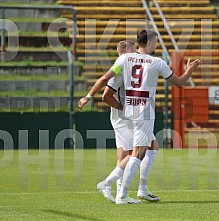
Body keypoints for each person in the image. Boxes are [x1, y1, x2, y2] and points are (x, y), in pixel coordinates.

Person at [102, 29, 201, 204]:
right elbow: (179, 82)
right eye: (155, 41)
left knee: (151, 146)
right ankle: (117, 191)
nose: (156, 44)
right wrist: (190, 70)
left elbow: (106, 83)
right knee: (137, 153)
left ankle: (142, 188)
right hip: (144, 111)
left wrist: (89, 95)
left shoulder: (125, 59)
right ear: (148, 43)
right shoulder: (156, 62)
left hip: (129, 110)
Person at [78, 40, 160, 204]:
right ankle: (113, 187)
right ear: (128, 50)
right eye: (133, 49)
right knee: (136, 152)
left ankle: (127, 192)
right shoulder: (122, 69)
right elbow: (106, 95)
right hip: (127, 116)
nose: (137, 52)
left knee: (138, 150)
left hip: (126, 115)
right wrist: (124, 108)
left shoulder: (127, 66)